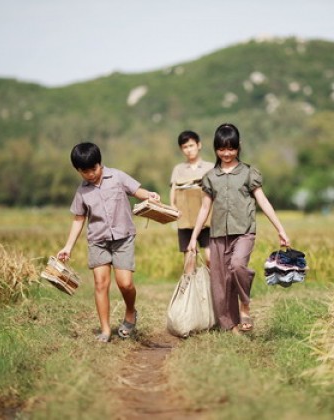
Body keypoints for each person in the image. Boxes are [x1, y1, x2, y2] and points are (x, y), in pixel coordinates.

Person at [187, 123, 290, 334]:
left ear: (238, 147)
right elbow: (204, 208)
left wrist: (280, 229)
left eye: (231, 148)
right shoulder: (210, 177)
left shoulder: (248, 173)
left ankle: (245, 305)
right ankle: (231, 326)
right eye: (222, 149)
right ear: (215, 148)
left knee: (237, 266)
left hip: (244, 232)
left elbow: (263, 201)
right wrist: (193, 238)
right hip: (217, 235)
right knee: (221, 284)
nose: (226, 153)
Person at [57, 142, 161, 343]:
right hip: (98, 241)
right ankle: (105, 330)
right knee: (100, 284)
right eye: (84, 172)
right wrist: (68, 247)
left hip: (123, 238)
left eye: (93, 169)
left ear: (100, 163)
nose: (90, 175)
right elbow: (79, 219)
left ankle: (130, 312)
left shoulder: (117, 177)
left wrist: (150, 195)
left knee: (125, 284)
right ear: (78, 171)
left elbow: (137, 190)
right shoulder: (82, 192)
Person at [169, 130, 213, 270]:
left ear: (199, 145)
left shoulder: (210, 167)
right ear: (181, 149)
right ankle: (191, 290)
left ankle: (213, 289)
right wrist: (172, 205)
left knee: (210, 258)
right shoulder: (179, 169)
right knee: (189, 261)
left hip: (207, 221)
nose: (189, 150)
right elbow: (174, 189)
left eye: (191, 145)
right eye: (185, 147)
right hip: (185, 220)